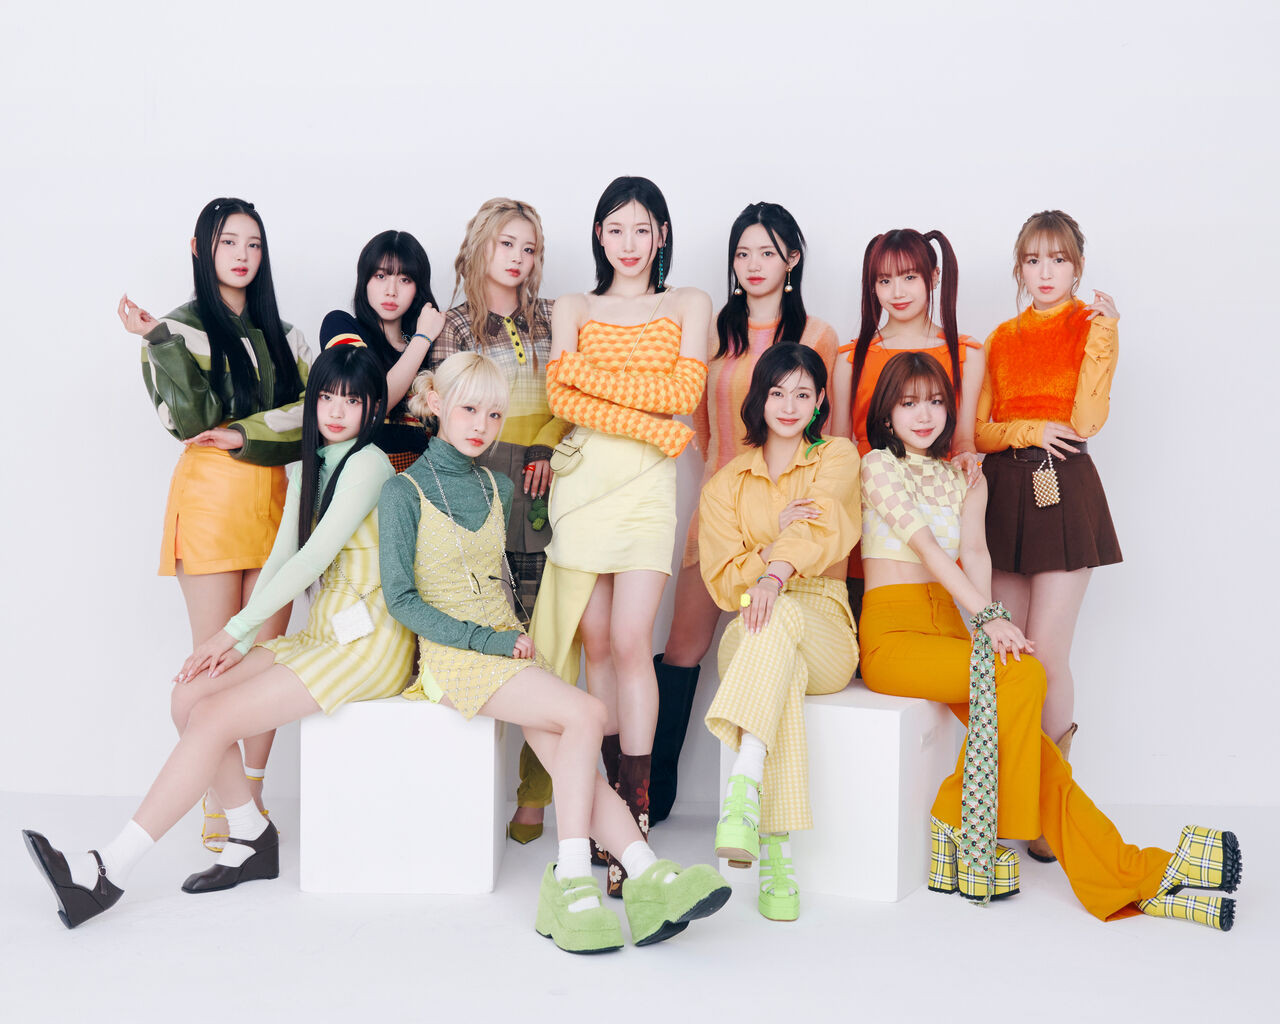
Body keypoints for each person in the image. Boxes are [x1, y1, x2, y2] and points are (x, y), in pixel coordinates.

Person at [24, 343, 415, 928]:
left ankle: (107, 870)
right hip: (324, 633)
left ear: (373, 408)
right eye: (327, 396)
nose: (336, 411)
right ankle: (251, 834)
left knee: (210, 716)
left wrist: (233, 633)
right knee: (188, 697)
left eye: (353, 400)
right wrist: (235, 641)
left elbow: (311, 559)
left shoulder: (369, 465)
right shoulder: (312, 465)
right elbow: (281, 554)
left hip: (367, 642)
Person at [857, 351, 1239, 930]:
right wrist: (990, 616)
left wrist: (982, 628)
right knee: (1022, 675)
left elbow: (976, 553)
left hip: (947, 630)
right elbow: (929, 551)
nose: (925, 414)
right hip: (894, 636)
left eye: (935, 401)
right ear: (887, 414)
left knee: (1029, 722)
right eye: (909, 403)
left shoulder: (964, 475)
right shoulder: (877, 466)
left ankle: (1139, 871)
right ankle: (964, 822)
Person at [378, 352, 730, 953]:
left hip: (509, 651)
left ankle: (648, 879)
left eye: (494, 414)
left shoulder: (496, 485)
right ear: (435, 403)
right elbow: (401, 601)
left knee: (578, 765)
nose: (481, 425)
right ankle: (570, 878)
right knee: (588, 713)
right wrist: (492, 641)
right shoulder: (402, 491)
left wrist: (518, 639)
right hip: (453, 658)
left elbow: (504, 581)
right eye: (468, 409)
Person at [529, 176, 711, 896]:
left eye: (642, 228)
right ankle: (607, 818)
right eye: (615, 229)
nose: (629, 243)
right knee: (597, 643)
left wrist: (589, 377)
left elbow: (685, 394)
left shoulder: (687, 302)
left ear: (661, 233)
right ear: (598, 236)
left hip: (644, 495)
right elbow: (558, 395)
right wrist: (656, 430)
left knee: (634, 640)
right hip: (581, 487)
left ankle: (635, 813)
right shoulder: (574, 305)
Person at [116, 197, 310, 849]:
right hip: (210, 504)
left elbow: (312, 418)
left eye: (253, 244)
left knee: (266, 663)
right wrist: (156, 342)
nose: (243, 255)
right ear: (201, 249)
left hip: (277, 502)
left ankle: (249, 792)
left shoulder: (286, 335)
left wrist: (243, 433)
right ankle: (221, 804)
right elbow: (191, 422)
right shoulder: (173, 330)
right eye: (229, 242)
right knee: (214, 664)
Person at [651, 201, 838, 824]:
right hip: (722, 506)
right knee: (684, 645)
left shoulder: (817, 335)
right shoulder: (712, 333)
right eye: (742, 252)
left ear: (793, 259)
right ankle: (653, 791)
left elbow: (823, 429)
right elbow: (704, 430)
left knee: (776, 630)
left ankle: (764, 802)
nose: (753, 264)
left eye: (768, 252)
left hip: (791, 511)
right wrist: (726, 481)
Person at [975, 210, 1120, 861]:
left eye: (1058, 260)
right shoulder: (1001, 339)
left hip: (1064, 491)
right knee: (1011, 657)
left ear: (1077, 267)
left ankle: (1052, 805)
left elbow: (1087, 421)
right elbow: (979, 431)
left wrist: (1106, 335)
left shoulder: (1089, 326)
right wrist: (1028, 429)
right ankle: (1015, 794)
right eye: (1033, 260)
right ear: (1019, 267)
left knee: (1049, 655)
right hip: (1005, 493)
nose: (1045, 272)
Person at [699, 344, 860, 921]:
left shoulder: (836, 456)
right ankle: (774, 854)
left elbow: (821, 527)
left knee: (781, 617)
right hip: (750, 623)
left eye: (802, 393)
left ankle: (744, 788)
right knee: (775, 649)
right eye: (777, 392)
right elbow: (722, 581)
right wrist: (770, 549)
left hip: (824, 623)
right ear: (759, 400)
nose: (789, 405)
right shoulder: (725, 484)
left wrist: (769, 571)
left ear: (819, 402)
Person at [426, 199, 568, 843]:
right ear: (480, 245)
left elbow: (571, 399)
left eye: (529, 248)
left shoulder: (554, 318)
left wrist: (544, 445)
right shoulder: (456, 325)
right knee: (481, 640)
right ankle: (460, 795)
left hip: (542, 485)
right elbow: (448, 415)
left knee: (543, 644)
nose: (518, 258)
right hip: (477, 490)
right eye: (507, 243)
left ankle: (534, 796)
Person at [829, 228, 981, 626]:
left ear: (934, 277)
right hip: (870, 516)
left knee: (942, 635)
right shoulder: (850, 359)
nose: (896, 291)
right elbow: (838, 451)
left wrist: (968, 460)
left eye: (909, 277)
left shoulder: (966, 354)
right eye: (884, 280)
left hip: (939, 513)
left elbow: (965, 439)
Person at [348, 229, 447, 471]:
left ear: (418, 287)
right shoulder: (344, 327)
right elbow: (371, 407)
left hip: (422, 482)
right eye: (381, 276)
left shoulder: (433, 345)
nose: (391, 291)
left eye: (405, 279)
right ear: (364, 280)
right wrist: (422, 338)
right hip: (361, 478)